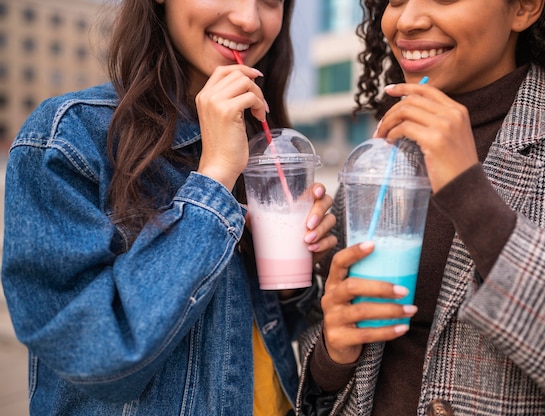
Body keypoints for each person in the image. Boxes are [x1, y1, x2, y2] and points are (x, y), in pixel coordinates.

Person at [1, 0, 337, 415]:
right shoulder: (69, 138)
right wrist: (213, 179)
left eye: (270, 0)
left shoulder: (259, 142)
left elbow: (262, 336)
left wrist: (291, 281)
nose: (249, 19)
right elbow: (94, 358)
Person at [296, 0, 545, 415]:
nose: (408, 20)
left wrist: (470, 194)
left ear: (524, 8)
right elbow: (333, 349)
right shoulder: (385, 152)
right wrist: (331, 354)